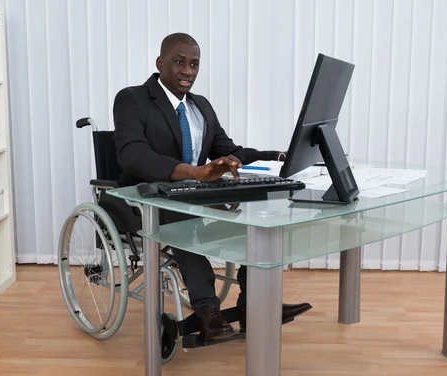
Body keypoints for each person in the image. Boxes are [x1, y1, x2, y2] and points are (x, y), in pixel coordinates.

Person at [111, 33, 312, 341]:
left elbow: (228, 151)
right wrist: (194, 172)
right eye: (179, 62)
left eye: (194, 64)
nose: (188, 71)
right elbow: (133, 155)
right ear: (160, 63)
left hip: (197, 194)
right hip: (149, 198)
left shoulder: (200, 106)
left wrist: (277, 156)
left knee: (256, 219)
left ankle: (253, 306)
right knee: (182, 221)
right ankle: (208, 311)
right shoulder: (133, 99)